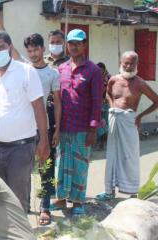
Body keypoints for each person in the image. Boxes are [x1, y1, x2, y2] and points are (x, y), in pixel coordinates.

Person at [0, 30, 50, 213]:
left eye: (1, 48)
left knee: (17, 201)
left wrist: (43, 141)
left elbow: (39, 108)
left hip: (21, 149)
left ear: (9, 48)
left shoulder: (26, 71)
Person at [51, 29, 104, 215]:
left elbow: (97, 101)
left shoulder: (93, 70)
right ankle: (62, 198)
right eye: (71, 43)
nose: (73, 46)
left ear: (84, 45)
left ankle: (79, 202)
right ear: (67, 45)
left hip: (83, 128)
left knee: (80, 166)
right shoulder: (62, 68)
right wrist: (56, 128)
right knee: (63, 164)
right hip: (65, 127)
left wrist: (92, 129)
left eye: (78, 43)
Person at [96, 51, 158, 201]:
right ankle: (109, 191)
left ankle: (132, 192)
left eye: (132, 64)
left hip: (129, 122)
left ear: (137, 65)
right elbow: (108, 94)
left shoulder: (140, 83)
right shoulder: (113, 80)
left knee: (130, 157)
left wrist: (140, 116)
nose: (129, 66)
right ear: (120, 63)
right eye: (126, 63)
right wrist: (111, 107)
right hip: (114, 119)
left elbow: (156, 100)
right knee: (111, 156)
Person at [24, 33, 62, 225]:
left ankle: (45, 207)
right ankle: (24, 207)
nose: (32, 53)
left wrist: (56, 131)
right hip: (22, 128)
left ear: (43, 49)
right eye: (29, 50)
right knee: (23, 168)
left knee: (45, 168)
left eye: (36, 49)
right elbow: (11, 48)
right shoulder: (22, 69)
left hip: (44, 127)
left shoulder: (52, 73)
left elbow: (57, 103)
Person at [96, 62, 111, 150]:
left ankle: (103, 142)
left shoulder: (109, 78)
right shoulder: (94, 76)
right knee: (98, 123)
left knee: (105, 123)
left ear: (104, 69)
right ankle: (99, 141)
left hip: (106, 103)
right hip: (97, 103)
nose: (100, 71)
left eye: (101, 70)